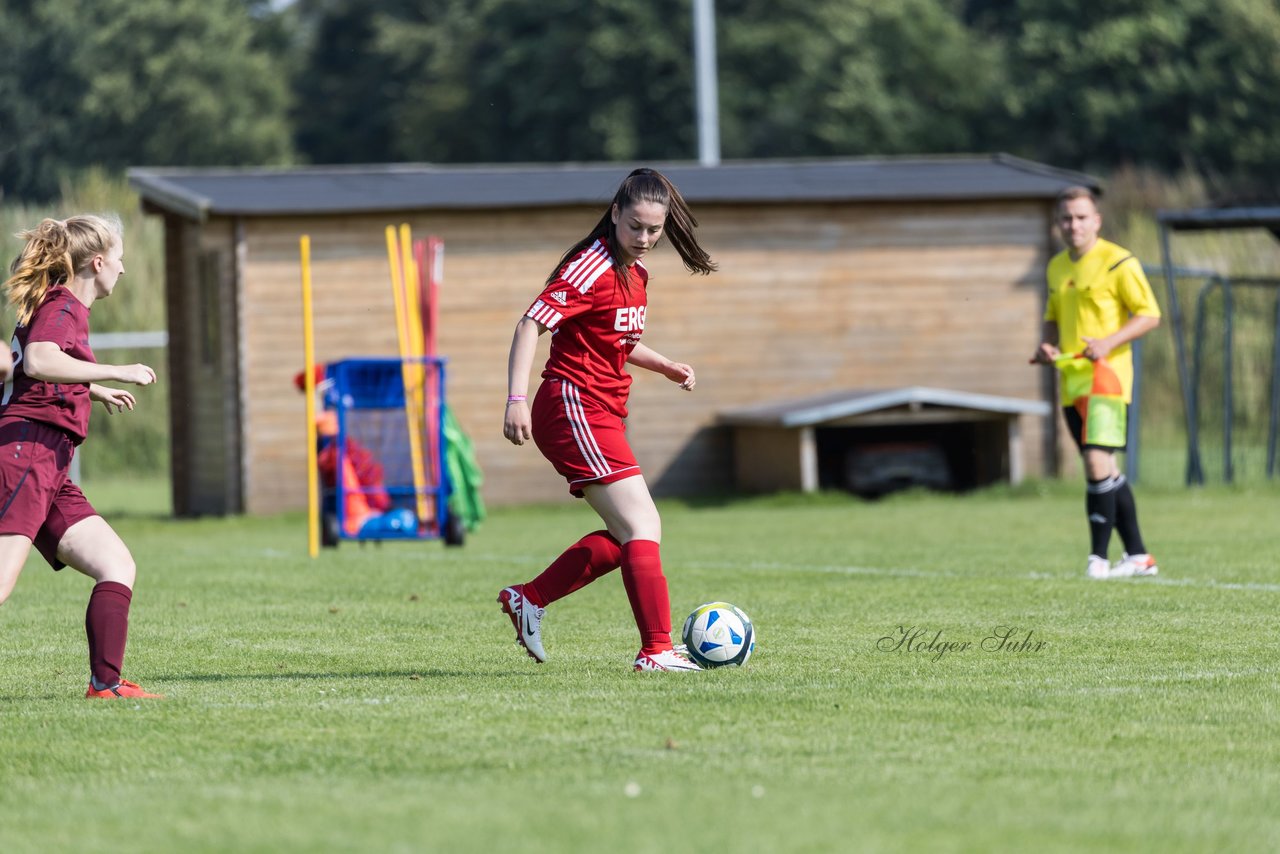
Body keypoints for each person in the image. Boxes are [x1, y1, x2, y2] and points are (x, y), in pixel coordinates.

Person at [499, 168, 716, 671]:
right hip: (572, 405)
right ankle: (656, 650)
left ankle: (528, 598)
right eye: (635, 226)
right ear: (615, 214)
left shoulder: (634, 275)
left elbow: (616, 339)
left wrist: (664, 365)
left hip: (600, 410)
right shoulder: (589, 265)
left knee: (628, 534)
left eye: (654, 231)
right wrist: (514, 397)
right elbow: (531, 322)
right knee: (643, 523)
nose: (644, 239)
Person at [0, 215, 163, 698]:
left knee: (116, 563)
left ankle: (105, 685)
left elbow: (42, 369)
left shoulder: (61, 307)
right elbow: (38, 361)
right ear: (98, 262)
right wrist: (118, 371)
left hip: (50, 463)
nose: (123, 269)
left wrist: (93, 391)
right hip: (27, 454)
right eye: (119, 259)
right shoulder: (63, 306)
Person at [1032, 186, 1162, 580]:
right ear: (1058, 224)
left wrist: (1107, 342)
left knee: (1094, 462)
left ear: (1097, 221)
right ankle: (1139, 556)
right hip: (1072, 381)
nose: (1074, 225)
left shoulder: (1117, 262)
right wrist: (1047, 346)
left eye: (1082, 217)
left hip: (1108, 379)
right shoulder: (1056, 267)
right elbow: (1054, 316)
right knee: (1104, 468)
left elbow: (1149, 314)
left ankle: (1098, 560)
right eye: (1067, 218)